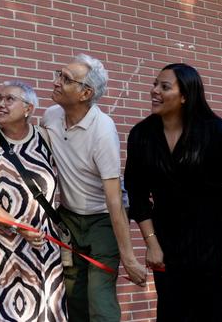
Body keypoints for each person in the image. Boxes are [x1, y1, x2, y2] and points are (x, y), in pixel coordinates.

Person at [124, 63, 222, 321]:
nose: (154, 91)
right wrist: (152, 244)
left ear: (185, 96)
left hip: (215, 247)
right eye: (154, 84)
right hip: (168, 247)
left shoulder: (218, 133)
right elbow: (138, 195)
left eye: (164, 87)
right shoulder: (141, 135)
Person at [41, 54, 147, 322]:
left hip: (101, 221)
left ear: (85, 93)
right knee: (74, 298)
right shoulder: (51, 116)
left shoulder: (103, 131)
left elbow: (114, 200)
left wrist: (129, 257)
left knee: (99, 302)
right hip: (68, 220)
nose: (56, 82)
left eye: (66, 79)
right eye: (59, 74)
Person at [0, 80, 67, 321]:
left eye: (9, 99)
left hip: (41, 247)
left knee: (43, 311)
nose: (0, 104)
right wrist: (18, 226)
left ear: (28, 109)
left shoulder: (45, 139)